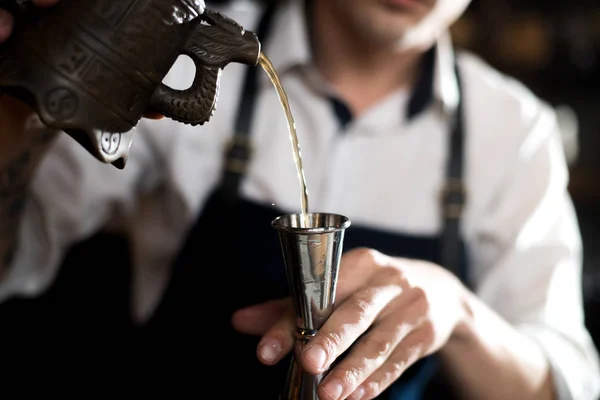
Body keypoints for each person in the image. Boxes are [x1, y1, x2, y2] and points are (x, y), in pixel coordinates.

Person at [1, 0, 599, 398]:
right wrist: (17, 108)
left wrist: (459, 314)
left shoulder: (515, 132)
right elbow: (13, 258)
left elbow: (568, 382)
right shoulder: (178, 51)